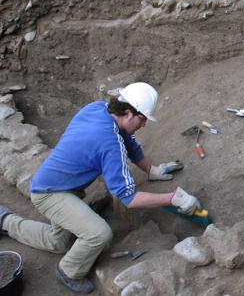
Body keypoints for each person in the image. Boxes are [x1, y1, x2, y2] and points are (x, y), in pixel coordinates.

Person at [0, 82, 201, 294]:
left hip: (57, 184)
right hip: (51, 194)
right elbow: (129, 197)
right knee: (99, 233)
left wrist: (152, 171)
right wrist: (173, 198)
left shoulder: (98, 108)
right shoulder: (109, 143)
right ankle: (68, 271)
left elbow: (130, 144)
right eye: (143, 119)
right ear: (129, 113)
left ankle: (5, 221)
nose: (144, 125)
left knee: (57, 242)